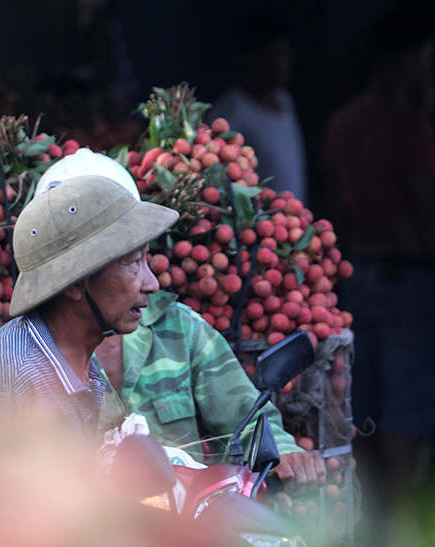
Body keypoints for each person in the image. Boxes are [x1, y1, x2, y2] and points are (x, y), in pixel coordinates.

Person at [33, 151, 325, 493]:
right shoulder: (25, 359)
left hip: (188, 533)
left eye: (141, 256)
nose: (151, 282)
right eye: (128, 260)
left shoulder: (179, 330)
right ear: (77, 275)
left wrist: (285, 455)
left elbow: (247, 421)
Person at [322, 10, 435, 510]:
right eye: (424, 60)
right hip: (407, 282)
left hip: (357, 277)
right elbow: (429, 217)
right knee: (405, 411)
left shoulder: (342, 124)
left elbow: (338, 207)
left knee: (365, 406)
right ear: (404, 62)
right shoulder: (411, 128)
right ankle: (398, 536)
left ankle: (371, 529)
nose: (430, 72)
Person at [0, 174, 178, 441]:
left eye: (146, 259)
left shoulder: (75, 358)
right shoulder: (15, 379)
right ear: (75, 283)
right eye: (134, 262)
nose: (152, 283)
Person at [208, 10, 307, 202]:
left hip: (290, 221)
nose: (279, 65)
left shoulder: (284, 99)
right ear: (244, 59)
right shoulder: (230, 114)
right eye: (269, 56)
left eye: (283, 53)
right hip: (257, 226)